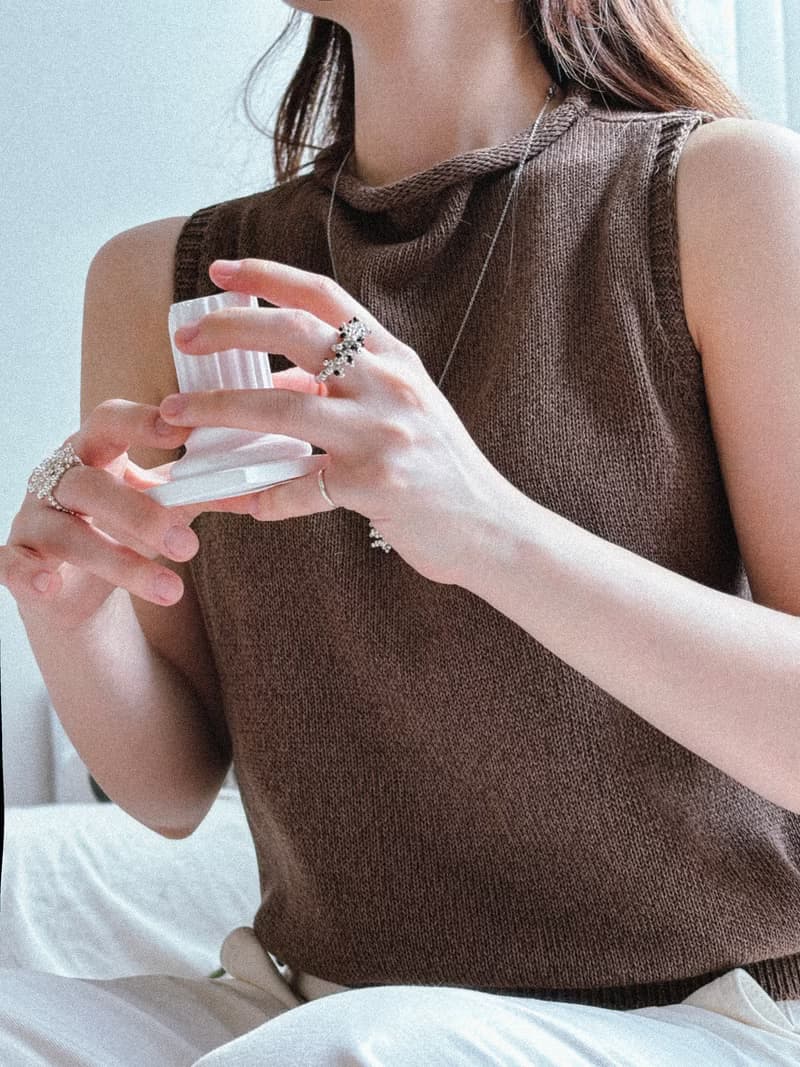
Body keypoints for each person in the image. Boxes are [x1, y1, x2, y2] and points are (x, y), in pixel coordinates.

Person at [3, 0, 800, 1062]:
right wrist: (70, 608)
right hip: (306, 1005)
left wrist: (479, 523)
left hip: (705, 1011)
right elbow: (172, 788)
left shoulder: (727, 192)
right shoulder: (164, 278)